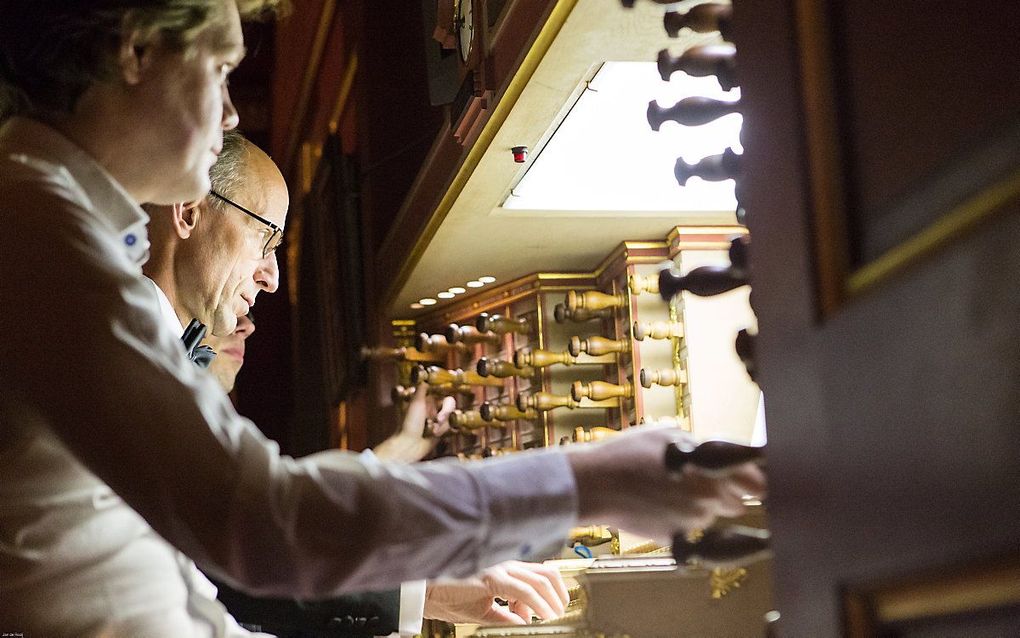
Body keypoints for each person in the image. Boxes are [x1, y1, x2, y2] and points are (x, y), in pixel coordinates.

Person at [0, 2, 765, 636]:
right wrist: (587, 480)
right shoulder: (36, 236)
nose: (232, 110)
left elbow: (178, 596)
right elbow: (266, 526)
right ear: (136, 49)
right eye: (223, 68)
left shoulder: (54, 227)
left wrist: (421, 581)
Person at [142, 131, 570, 635]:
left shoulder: (156, 355)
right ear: (189, 210)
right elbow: (246, 546)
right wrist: (423, 587)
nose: (273, 277)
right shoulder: (137, 360)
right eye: (265, 239)